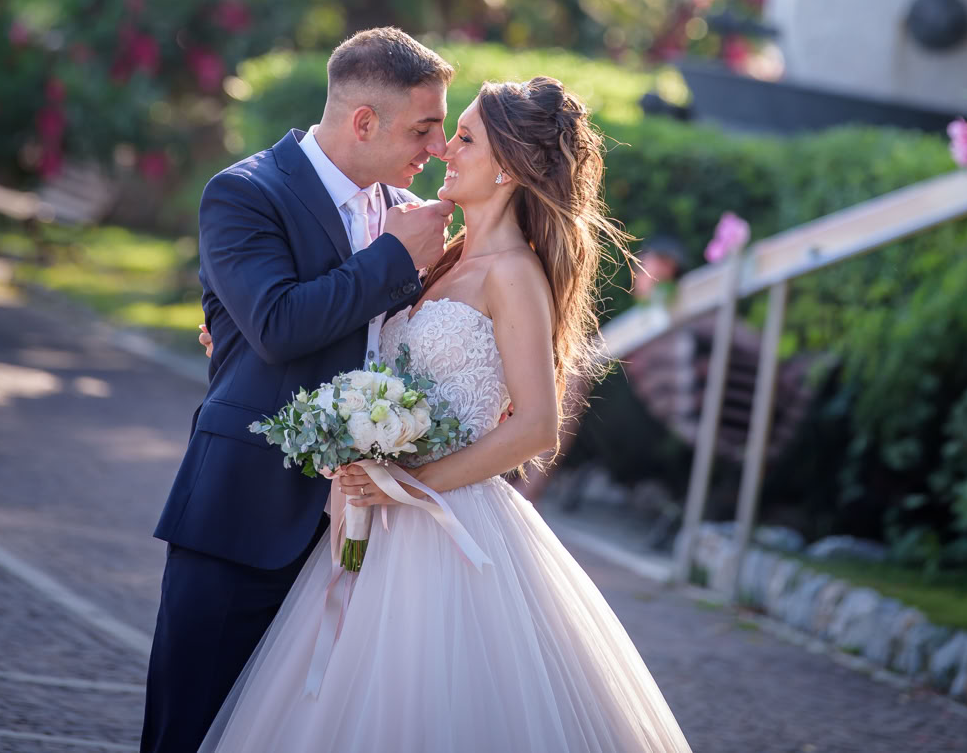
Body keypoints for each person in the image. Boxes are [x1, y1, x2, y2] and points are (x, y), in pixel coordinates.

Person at [196, 76, 693, 753]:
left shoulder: (514, 275)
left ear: (512, 167)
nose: (444, 152)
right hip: (377, 515)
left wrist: (412, 481)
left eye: (464, 138)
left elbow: (535, 428)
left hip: (444, 521)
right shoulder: (442, 255)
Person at [140, 27, 455, 753]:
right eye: (423, 127)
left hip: (354, 536)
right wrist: (390, 259)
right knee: (187, 731)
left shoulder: (399, 211)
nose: (435, 147)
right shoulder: (246, 193)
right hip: (241, 517)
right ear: (363, 122)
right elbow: (278, 324)